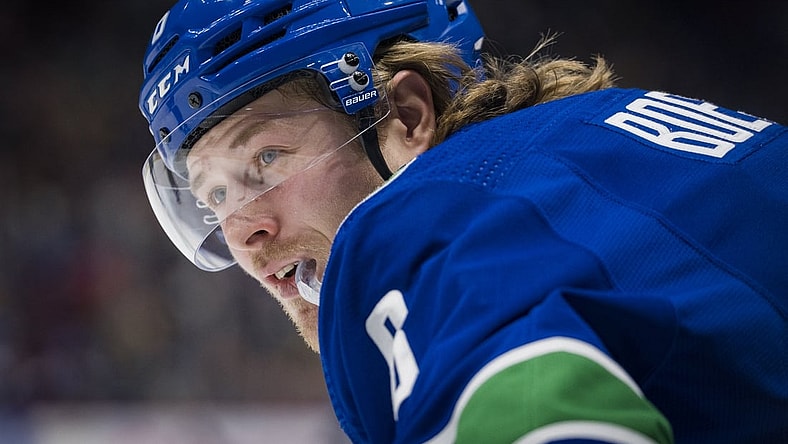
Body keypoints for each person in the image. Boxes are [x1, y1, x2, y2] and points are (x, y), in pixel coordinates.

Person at [138, 0, 787, 442]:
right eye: (214, 195)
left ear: (406, 117)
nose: (241, 230)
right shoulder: (601, 137)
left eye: (267, 158)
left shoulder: (422, 217)